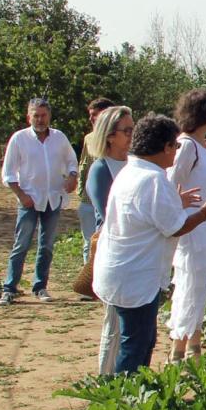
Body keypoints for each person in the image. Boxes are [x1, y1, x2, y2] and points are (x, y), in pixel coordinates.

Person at [92, 115, 206, 374]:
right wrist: (205, 213)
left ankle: (127, 390)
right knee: (135, 346)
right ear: (166, 147)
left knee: (141, 340)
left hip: (121, 272)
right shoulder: (154, 179)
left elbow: (150, 213)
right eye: (175, 146)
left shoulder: (131, 171)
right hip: (136, 277)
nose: (177, 152)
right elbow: (176, 227)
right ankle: (124, 394)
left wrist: (175, 202)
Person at [164, 89, 206, 363]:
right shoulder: (187, 146)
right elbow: (170, 182)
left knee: (199, 285)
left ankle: (193, 343)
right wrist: (179, 205)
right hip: (192, 227)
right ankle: (179, 349)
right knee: (189, 284)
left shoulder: (203, 146)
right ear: (203, 112)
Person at [0, 98, 80, 305]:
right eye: (36, 115)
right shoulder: (19, 139)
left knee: (47, 245)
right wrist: (21, 195)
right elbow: (8, 173)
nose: (40, 119)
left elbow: (72, 161)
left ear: (49, 116)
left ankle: (40, 286)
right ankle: (9, 288)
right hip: (29, 199)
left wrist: (72, 176)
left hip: (52, 198)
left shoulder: (59, 138)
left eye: (43, 115)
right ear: (29, 117)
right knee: (22, 244)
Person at [84, 105, 133, 375]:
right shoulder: (101, 169)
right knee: (113, 323)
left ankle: (124, 378)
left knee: (131, 326)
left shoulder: (133, 163)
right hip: (115, 253)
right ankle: (105, 380)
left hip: (135, 252)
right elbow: (107, 215)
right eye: (127, 131)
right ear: (110, 135)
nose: (132, 135)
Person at [76, 97, 115, 272]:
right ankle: (89, 278)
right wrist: (81, 190)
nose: (91, 118)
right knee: (89, 242)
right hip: (88, 200)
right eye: (90, 115)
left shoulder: (120, 139)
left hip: (109, 199)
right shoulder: (89, 138)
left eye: (95, 115)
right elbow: (84, 164)